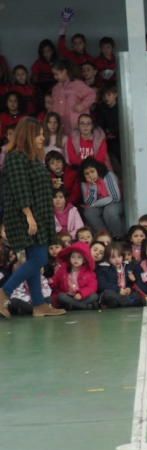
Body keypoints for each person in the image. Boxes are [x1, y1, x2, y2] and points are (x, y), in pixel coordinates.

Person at [0, 118, 66, 318]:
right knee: (39, 258)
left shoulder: (33, 157)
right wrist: (29, 217)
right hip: (25, 216)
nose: (42, 137)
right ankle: (4, 293)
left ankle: (38, 305)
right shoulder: (16, 157)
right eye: (39, 134)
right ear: (28, 135)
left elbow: (32, 183)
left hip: (37, 214)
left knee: (35, 260)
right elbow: (20, 189)